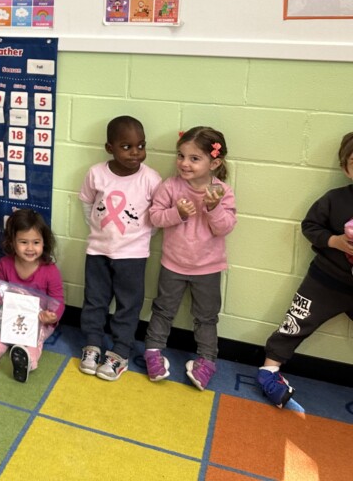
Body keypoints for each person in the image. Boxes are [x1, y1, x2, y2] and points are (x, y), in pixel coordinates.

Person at [257, 132, 353, 407]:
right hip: (326, 279)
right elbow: (310, 226)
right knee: (295, 322)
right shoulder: (335, 199)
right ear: (345, 169)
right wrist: (335, 241)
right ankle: (269, 368)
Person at [144, 126, 236, 391]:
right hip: (172, 264)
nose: (184, 163)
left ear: (214, 162)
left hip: (208, 267)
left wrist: (212, 208)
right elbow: (155, 217)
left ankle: (207, 359)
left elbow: (224, 227)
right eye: (181, 156)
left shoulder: (222, 192)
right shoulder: (170, 186)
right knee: (163, 309)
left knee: (206, 317)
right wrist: (178, 213)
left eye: (194, 158)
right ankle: (152, 351)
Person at [78, 116, 161, 381]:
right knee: (95, 300)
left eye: (141, 145)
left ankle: (120, 352)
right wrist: (101, 232)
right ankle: (92, 344)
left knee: (128, 305)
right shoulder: (96, 174)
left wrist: (140, 237)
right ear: (109, 147)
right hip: (98, 251)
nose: (135, 152)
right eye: (126, 146)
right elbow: (87, 204)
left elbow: (157, 217)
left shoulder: (151, 179)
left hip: (133, 256)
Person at [0, 209, 64, 383]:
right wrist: (5, 309)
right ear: (12, 242)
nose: (30, 248)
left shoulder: (50, 270)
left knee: (33, 343)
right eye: (23, 242)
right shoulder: (5, 264)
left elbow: (58, 300)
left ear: (44, 243)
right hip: (10, 316)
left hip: (38, 321)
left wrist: (52, 316)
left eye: (36, 242)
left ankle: (27, 361)